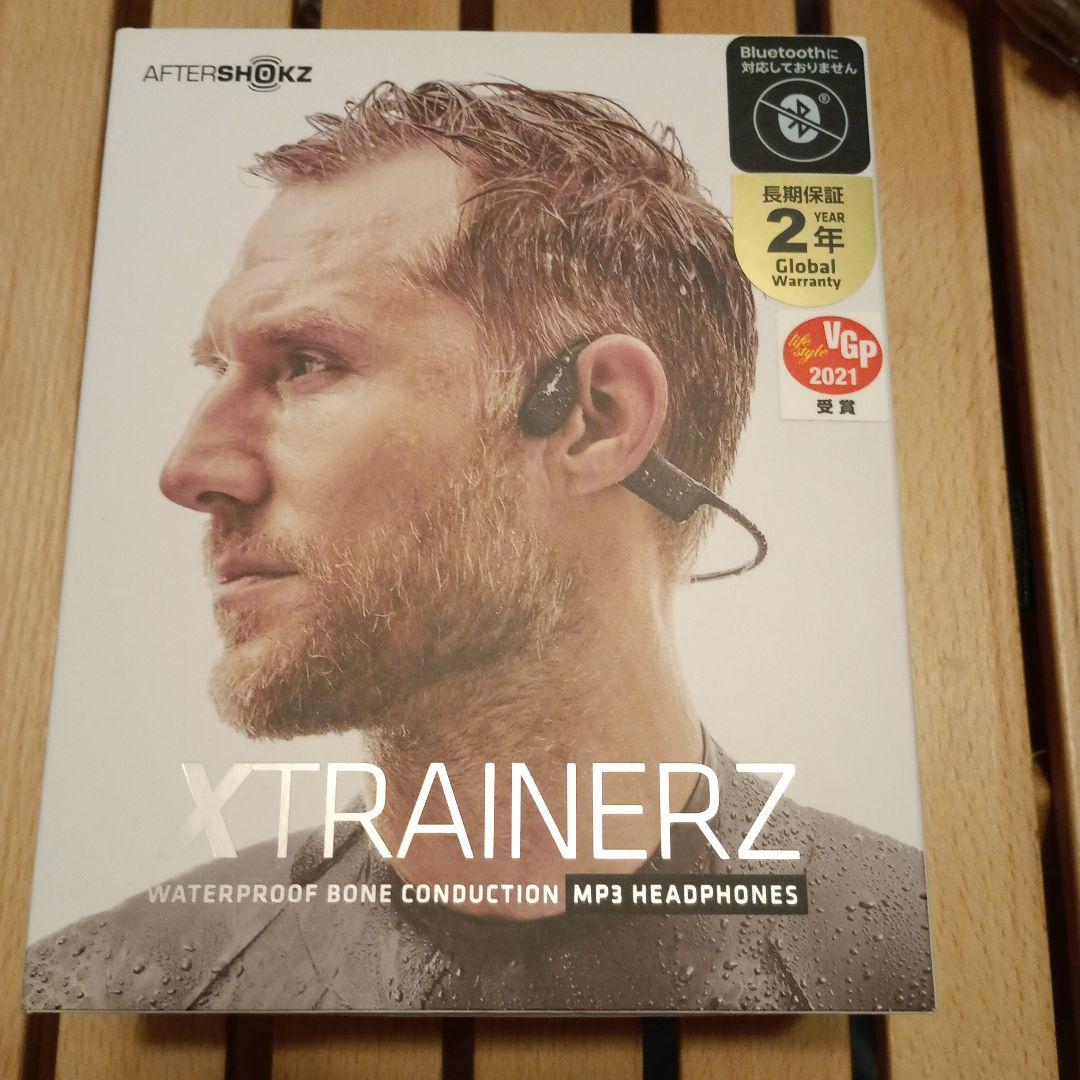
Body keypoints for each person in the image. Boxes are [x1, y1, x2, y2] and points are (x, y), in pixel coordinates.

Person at [24, 81, 932, 1013]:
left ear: (596, 419)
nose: (189, 470)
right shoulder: (101, 987)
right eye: (218, 368)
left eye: (306, 364)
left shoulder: (923, 952)